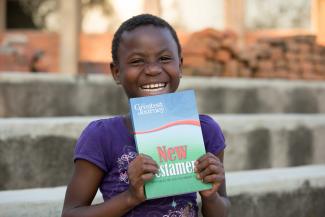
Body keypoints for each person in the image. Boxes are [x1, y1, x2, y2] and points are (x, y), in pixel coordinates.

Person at [61, 14, 230, 217]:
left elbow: (222, 210)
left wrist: (211, 196)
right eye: (137, 61)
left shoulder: (204, 131)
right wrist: (131, 197)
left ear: (180, 66)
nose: (152, 69)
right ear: (116, 72)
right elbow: (71, 213)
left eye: (165, 58)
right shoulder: (101, 136)